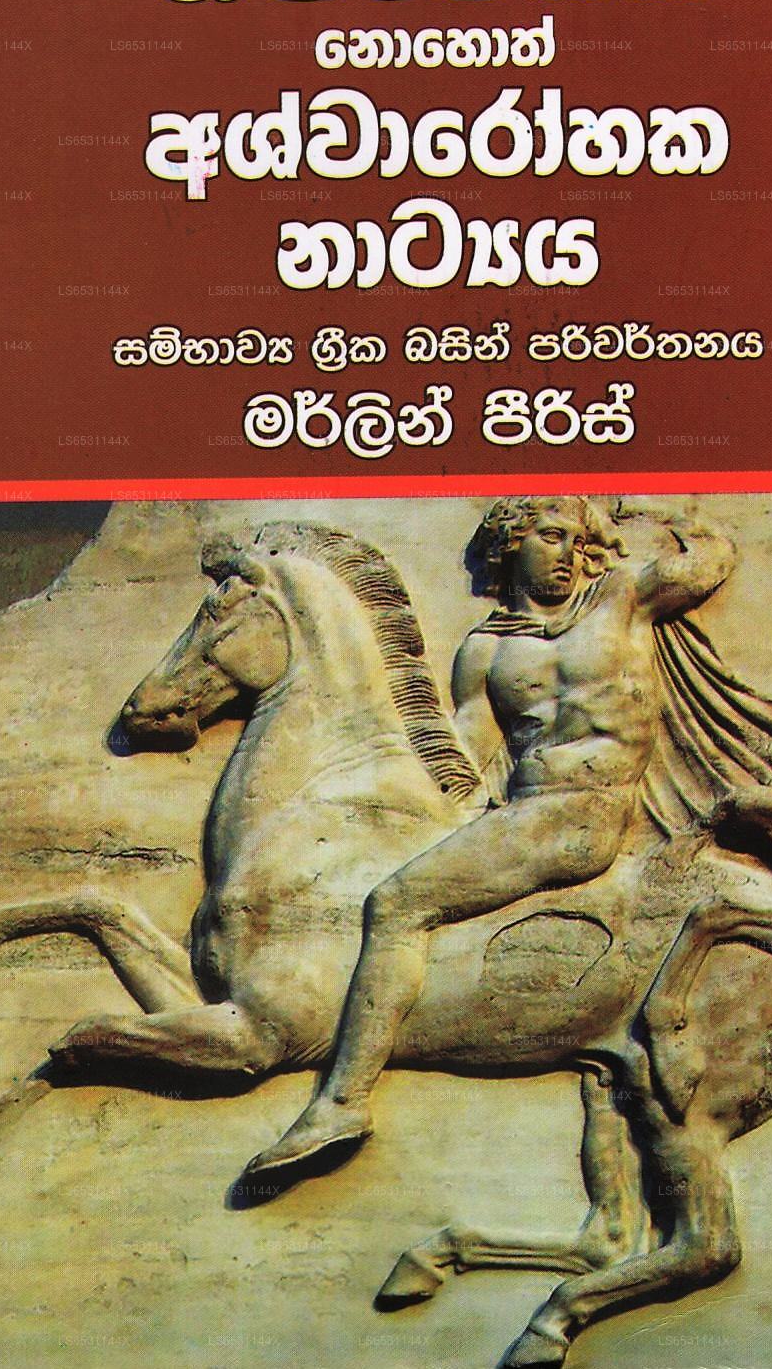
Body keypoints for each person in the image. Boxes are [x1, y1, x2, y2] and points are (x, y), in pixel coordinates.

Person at [245, 495, 736, 1177]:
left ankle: (343, 1103)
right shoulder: (486, 648)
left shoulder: (620, 599)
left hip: (583, 814)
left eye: (578, 543)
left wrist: (652, 510)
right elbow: (469, 752)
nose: (569, 555)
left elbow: (709, 562)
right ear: (511, 546)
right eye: (551, 537)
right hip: (522, 812)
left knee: (396, 904)